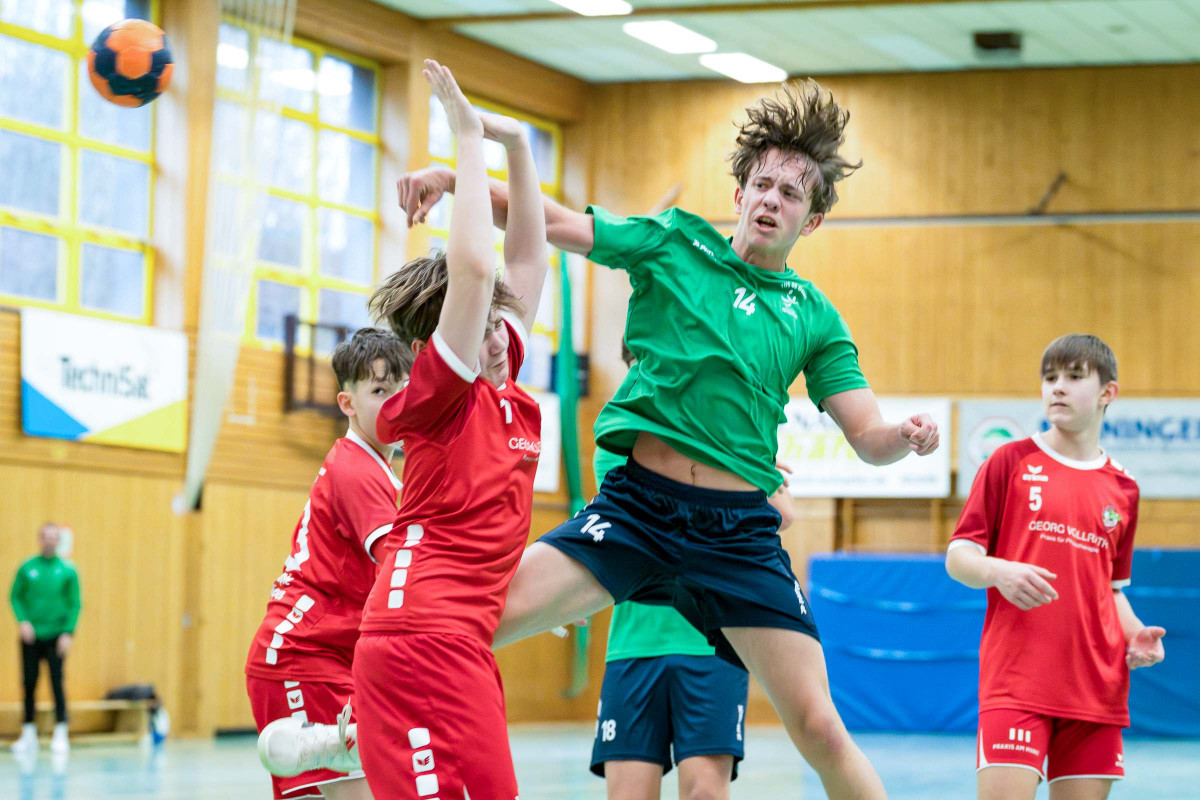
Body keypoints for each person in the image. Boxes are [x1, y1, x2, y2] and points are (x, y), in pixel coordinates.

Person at [265, 77, 940, 800]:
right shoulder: (674, 242)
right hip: (637, 512)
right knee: (464, 620)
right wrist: (457, 181)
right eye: (763, 184)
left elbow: (866, 434)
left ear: (811, 220)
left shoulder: (813, 315)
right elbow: (550, 225)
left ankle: (355, 730)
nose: (772, 200)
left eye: (792, 194)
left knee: (820, 727)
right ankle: (350, 729)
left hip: (737, 534)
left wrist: (901, 436)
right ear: (740, 192)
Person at [262, 61, 551, 799]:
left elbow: (525, 256)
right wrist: (464, 138)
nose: (499, 337)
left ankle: (349, 731)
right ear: (439, 343)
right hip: (422, 635)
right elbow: (476, 267)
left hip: (453, 638)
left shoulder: (504, 382)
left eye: (500, 325)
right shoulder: (439, 394)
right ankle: (353, 729)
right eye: (483, 326)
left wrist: (517, 144)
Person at [945, 334, 1166, 800]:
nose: (1057, 387)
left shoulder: (1124, 488)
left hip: (1096, 687)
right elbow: (959, 557)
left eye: (1074, 376)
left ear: (1108, 393)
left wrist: (1135, 634)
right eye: (1050, 378)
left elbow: (1110, 588)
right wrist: (998, 571)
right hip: (1016, 681)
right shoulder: (1010, 461)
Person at [592, 346, 797, 800]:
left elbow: (783, 512)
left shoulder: (725, 420)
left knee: (705, 790)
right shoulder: (617, 433)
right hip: (634, 644)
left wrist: (746, 468)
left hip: (711, 645)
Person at [248, 327, 411, 800]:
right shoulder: (357, 471)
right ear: (347, 403)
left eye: (403, 390)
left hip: (321, 659)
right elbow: (404, 568)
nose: (395, 403)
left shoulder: (378, 470)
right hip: (303, 657)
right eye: (379, 391)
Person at [10, 522, 80, 755]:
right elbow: (15, 596)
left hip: (56, 636)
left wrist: (68, 632)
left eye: (53, 537)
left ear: (58, 541)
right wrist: (23, 621)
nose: (49, 540)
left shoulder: (68, 570)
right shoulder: (27, 567)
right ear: (40, 539)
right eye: (46, 536)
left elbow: (75, 603)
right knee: (29, 682)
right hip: (31, 636)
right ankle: (28, 731)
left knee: (56, 682)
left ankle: (61, 731)